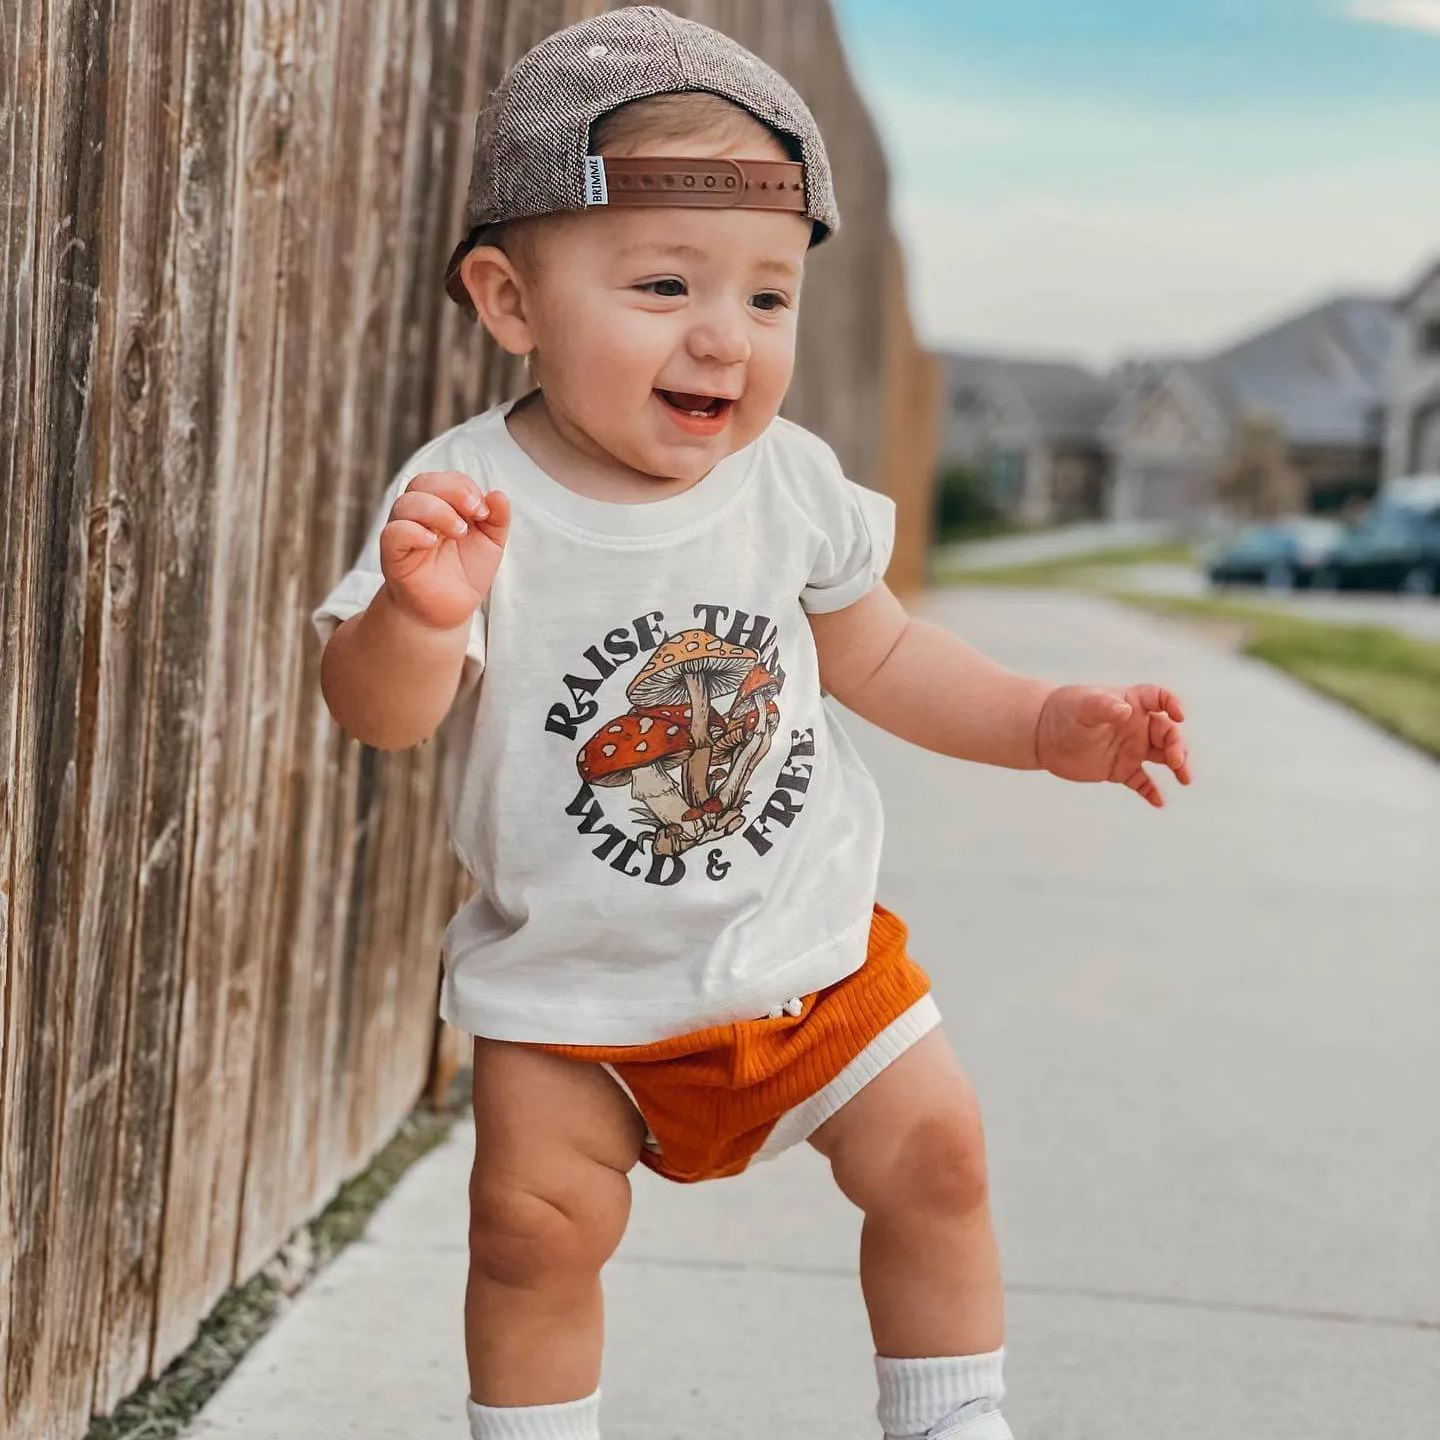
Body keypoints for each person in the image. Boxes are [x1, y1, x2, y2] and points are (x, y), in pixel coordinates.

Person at [310, 9, 1193, 1439]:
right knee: (530, 1238)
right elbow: (380, 717)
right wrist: (414, 620)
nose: (725, 335)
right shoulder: (472, 494)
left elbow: (886, 657)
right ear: (510, 298)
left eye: (769, 299)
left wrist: (1046, 724)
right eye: (664, 283)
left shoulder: (790, 484)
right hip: (573, 1002)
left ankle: (952, 1417)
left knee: (941, 1162)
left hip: (809, 961)